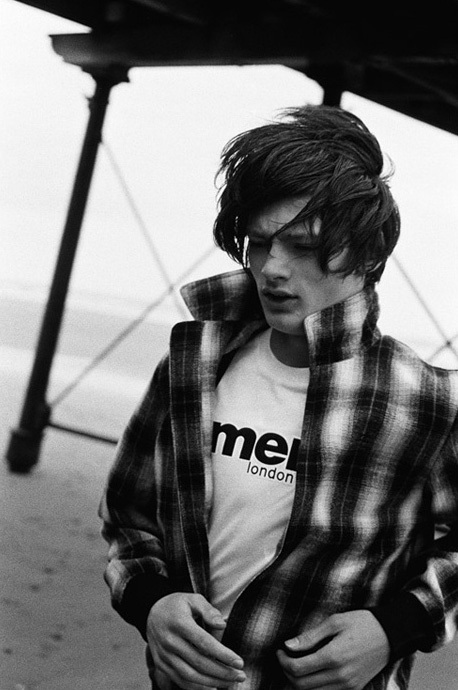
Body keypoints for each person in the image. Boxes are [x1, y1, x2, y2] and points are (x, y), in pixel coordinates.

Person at [99, 104, 458, 690]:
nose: (272, 269)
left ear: (368, 256)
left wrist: (392, 628)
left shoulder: (426, 402)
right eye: (261, 243)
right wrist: (152, 604)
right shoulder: (193, 367)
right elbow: (127, 517)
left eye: (303, 246)